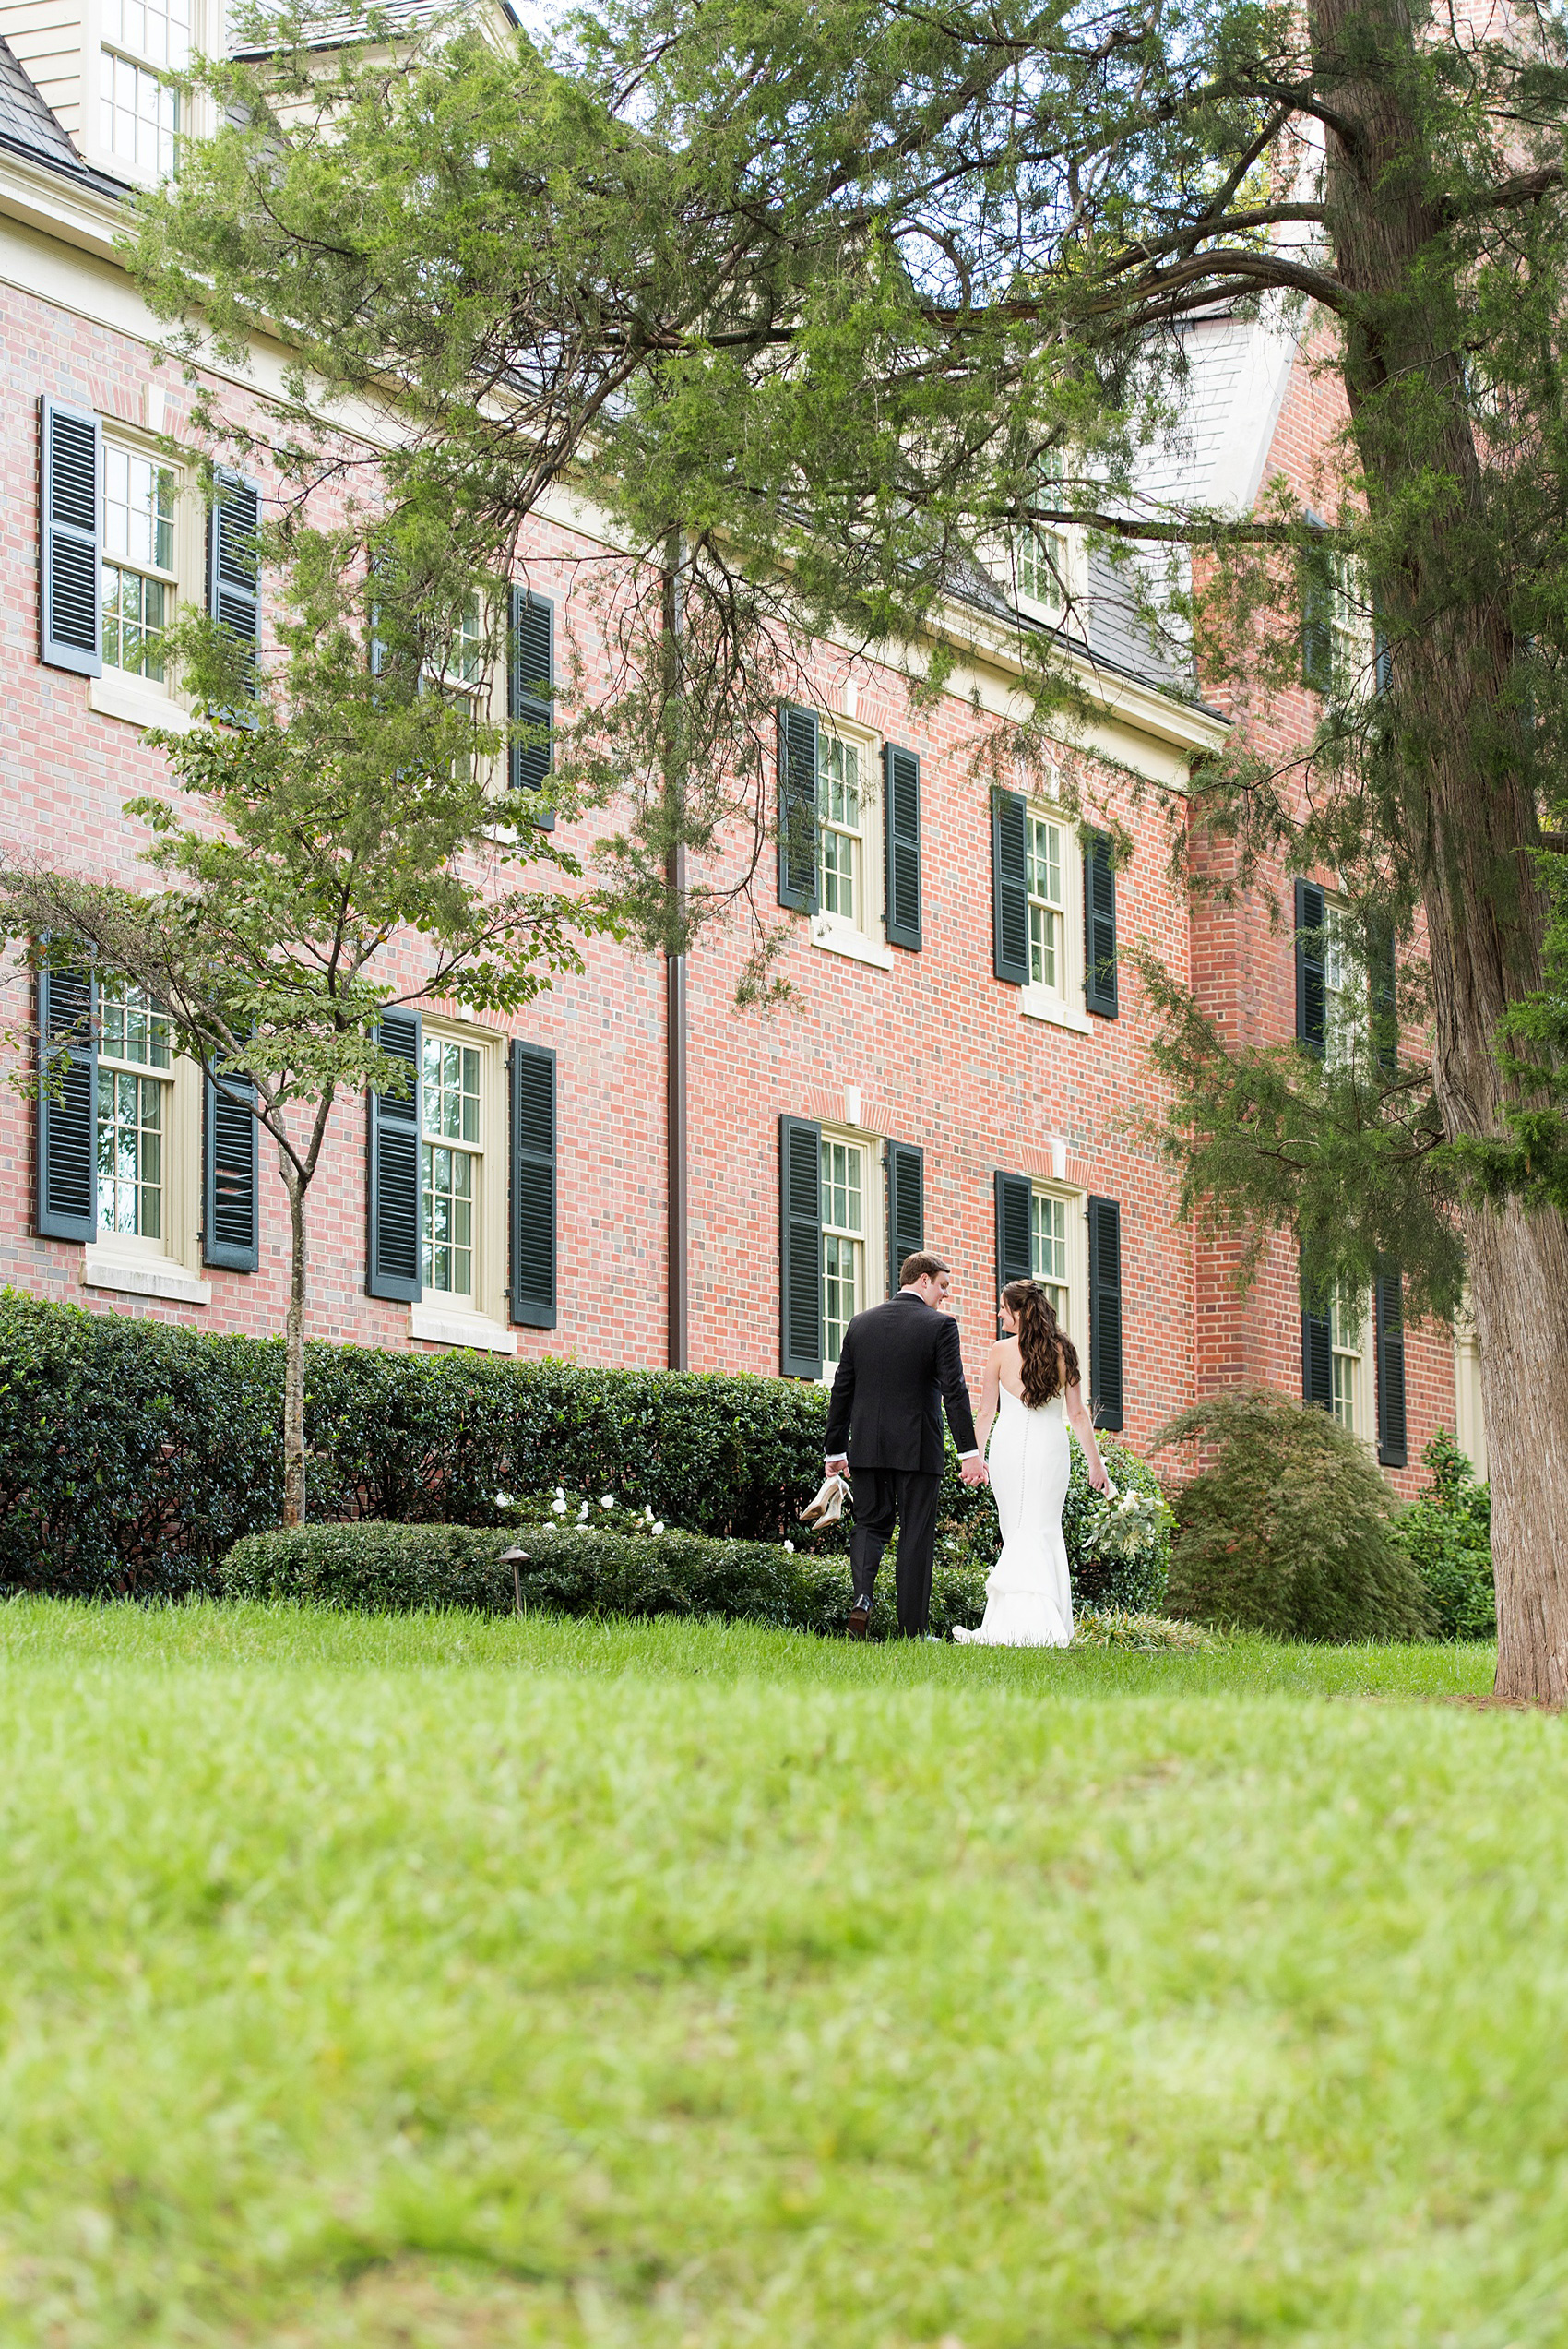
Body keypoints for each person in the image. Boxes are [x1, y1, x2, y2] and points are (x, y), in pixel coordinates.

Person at [824, 1251, 990, 1639]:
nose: (945, 1295)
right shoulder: (940, 1327)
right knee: (914, 1534)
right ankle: (911, 1631)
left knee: (869, 1525)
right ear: (923, 1280)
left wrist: (835, 1450)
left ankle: (862, 1598)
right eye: (943, 1286)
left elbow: (841, 1388)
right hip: (918, 1450)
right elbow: (955, 1391)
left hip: (866, 1448)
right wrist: (970, 1453)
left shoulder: (860, 1324)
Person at [952, 1280, 1111, 1649]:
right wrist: (1095, 1464)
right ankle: (1044, 1623)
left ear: (1021, 1312)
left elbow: (987, 1411)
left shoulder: (999, 1352)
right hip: (1050, 1451)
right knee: (1038, 1529)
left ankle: (1021, 1624)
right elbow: (1077, 1414)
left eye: (1004, 1308)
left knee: (1021, 1531)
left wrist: (974, 1457)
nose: (999, 1314)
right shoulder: (1064, 1351)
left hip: (1008, 1447)